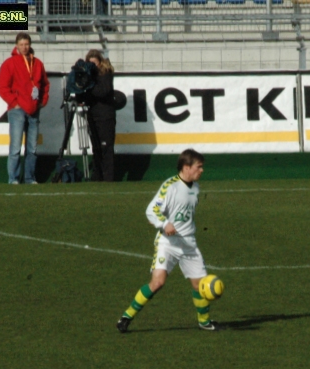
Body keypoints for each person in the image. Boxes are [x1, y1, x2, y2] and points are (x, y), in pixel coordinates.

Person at [117, 149, 222, 333]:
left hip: (189, 243)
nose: (202, 170)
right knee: (158, 282)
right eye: (199, 167)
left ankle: (204, 322)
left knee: (199, 285)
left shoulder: (196, 187)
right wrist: (164, 223)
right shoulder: (170, 187)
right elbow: (151, 210)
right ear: (186, 167)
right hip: (168, 243)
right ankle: (126, 316)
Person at [0, 32, 50, 185]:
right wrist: (15, 103)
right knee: (15, 148)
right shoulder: (9, 63)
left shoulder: (38, 63)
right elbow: (2, 87)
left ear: (30, 45)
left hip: (34, 109)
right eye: (21, 45)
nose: (24, 47)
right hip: (17, 110)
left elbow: (45, 84)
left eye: (26, 44)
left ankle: (29, 178)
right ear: (17, 46)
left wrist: (42, 101)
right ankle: (13, 178)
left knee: (32, 148)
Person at [77, 49, 116, 182]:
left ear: (100, 62)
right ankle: (97, 176)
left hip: (105, 116)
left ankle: (108, 178)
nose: (92, 66)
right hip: (92, 115)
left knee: (106, 147)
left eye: (94, 63)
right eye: (90, 63)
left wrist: (89, 84)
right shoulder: (88, 75)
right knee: (96, 147)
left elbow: (103, 92)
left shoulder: (105, 73)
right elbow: (83, 94)